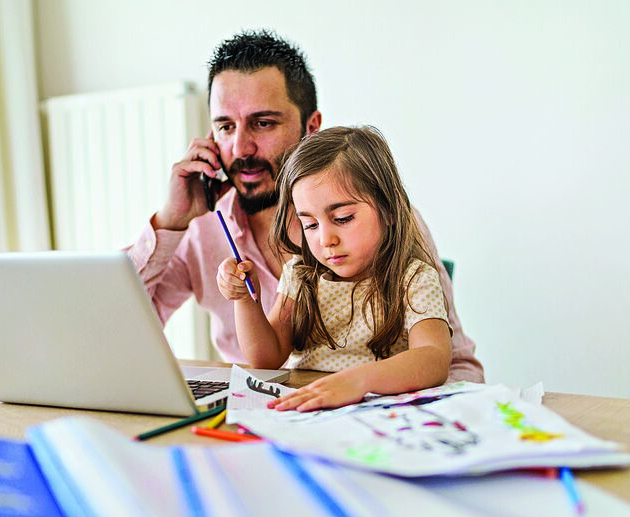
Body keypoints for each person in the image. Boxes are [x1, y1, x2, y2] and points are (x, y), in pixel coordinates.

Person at [127, 29, 484, 383]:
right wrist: (171, 221)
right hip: (276, 411)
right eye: (225, 126)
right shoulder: (204, 225)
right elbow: (117, 326)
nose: (241, 148)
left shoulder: (392, 224)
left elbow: (453, 364)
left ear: (311, 128)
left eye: (262, 123)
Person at [216, 126, 452, 411]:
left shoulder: (412, 278)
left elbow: (434, 358)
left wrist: (359, 381)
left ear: (389, 210)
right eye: (311, 225)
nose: (326, 239)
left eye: (342, 218)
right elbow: (265, 360)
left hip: (380, 417)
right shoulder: (300, 275)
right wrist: (244, 300)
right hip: (308, 412)